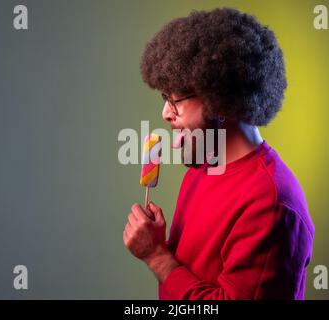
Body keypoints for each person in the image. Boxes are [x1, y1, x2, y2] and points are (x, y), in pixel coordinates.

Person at [123, 8, 314, 300]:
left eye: (176, 100)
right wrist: (159, 246)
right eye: (165, 98)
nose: (165, 113)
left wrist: (157, 256)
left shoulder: (271, 203)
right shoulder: (202, 168)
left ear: (220, 100)